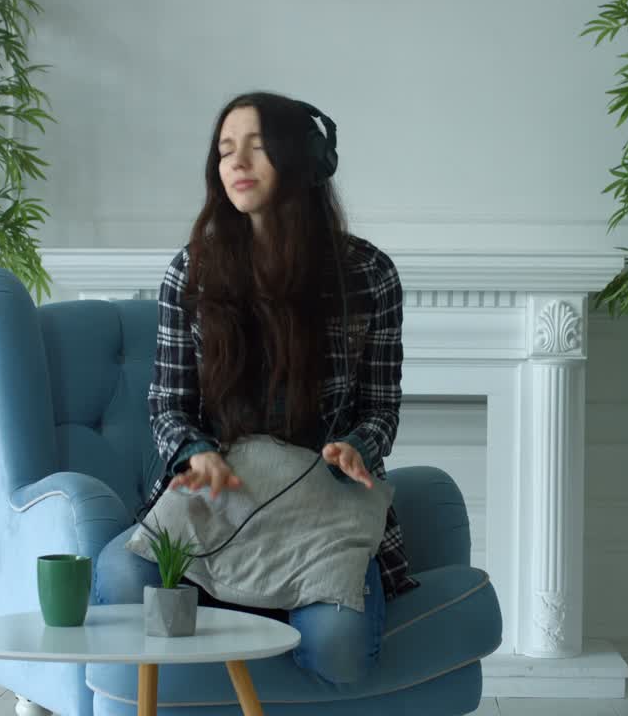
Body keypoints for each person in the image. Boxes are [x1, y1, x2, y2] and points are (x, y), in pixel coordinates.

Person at [94, 91, 419, 685]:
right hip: (221, 498)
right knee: (120, 578)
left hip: (321, 505)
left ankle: (242, 613)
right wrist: (196, 452)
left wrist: (358, 446)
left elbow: (380, 408)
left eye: (258, 147)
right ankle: (236, 609)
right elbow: (167, 404)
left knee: (338, 650)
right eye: (225, 151)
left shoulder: (369, 275)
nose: (236, 163)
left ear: (307, 159)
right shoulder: (190, 271)